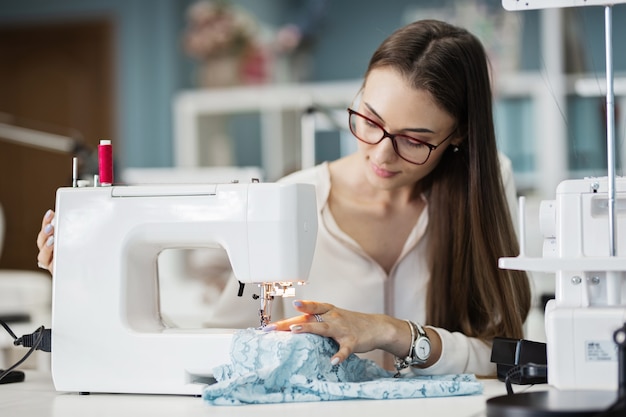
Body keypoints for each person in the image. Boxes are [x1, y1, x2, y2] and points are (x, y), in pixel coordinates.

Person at [37, 19, 531, 377]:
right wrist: (93, 279)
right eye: (369, 120)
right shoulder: (297, 197)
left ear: (458, 136)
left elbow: (505, 353)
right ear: (358, 96)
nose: (380, 153)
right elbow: (222, 344)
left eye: (415, 139)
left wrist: (390, 330)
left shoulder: (484, 187)